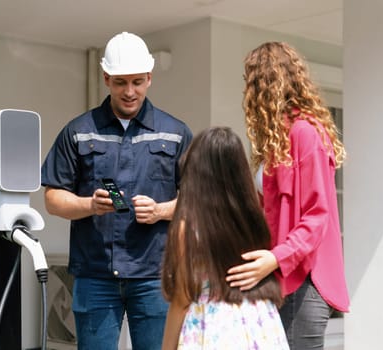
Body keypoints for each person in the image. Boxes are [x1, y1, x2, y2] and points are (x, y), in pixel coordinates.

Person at [41, 31, 193, 350]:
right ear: (106, 78)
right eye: (121, 82)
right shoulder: (79, 131)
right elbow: (53, 199)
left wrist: (162, 211)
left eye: (137, 82)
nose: (129, 91)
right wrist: (89, 205)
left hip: (155, 274)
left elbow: (200, 202)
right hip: (95, 274)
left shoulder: (176, 133)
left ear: (150, 78)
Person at [226, 41, 350, 350]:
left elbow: (316, 215)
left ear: (267, 84)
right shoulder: (278, 138)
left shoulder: (305, 132)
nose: (247, 92)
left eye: (251, 81)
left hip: (305, 280)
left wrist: (275, 258)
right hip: (282, 277)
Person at [161, 127, 289, 350]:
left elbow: (182, 298)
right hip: (261, 324)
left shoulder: (189, 228)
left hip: (213, 327)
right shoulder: (254, 219)